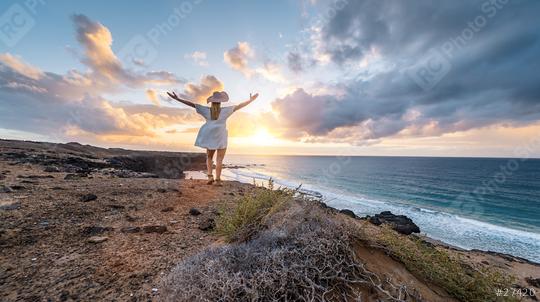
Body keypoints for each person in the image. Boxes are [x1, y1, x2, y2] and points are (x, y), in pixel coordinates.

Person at [167, 90, 259, 185]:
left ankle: (210, 176)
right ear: (220, 102)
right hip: (221, 135)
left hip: (209, 134)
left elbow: (192, 104)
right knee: (219, 159)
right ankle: (218, 180)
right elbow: (240, 106)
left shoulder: (206, 110)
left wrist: (177, 99)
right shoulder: (226, 110)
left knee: (209, 157)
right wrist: (250, 100)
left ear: (211, 101)